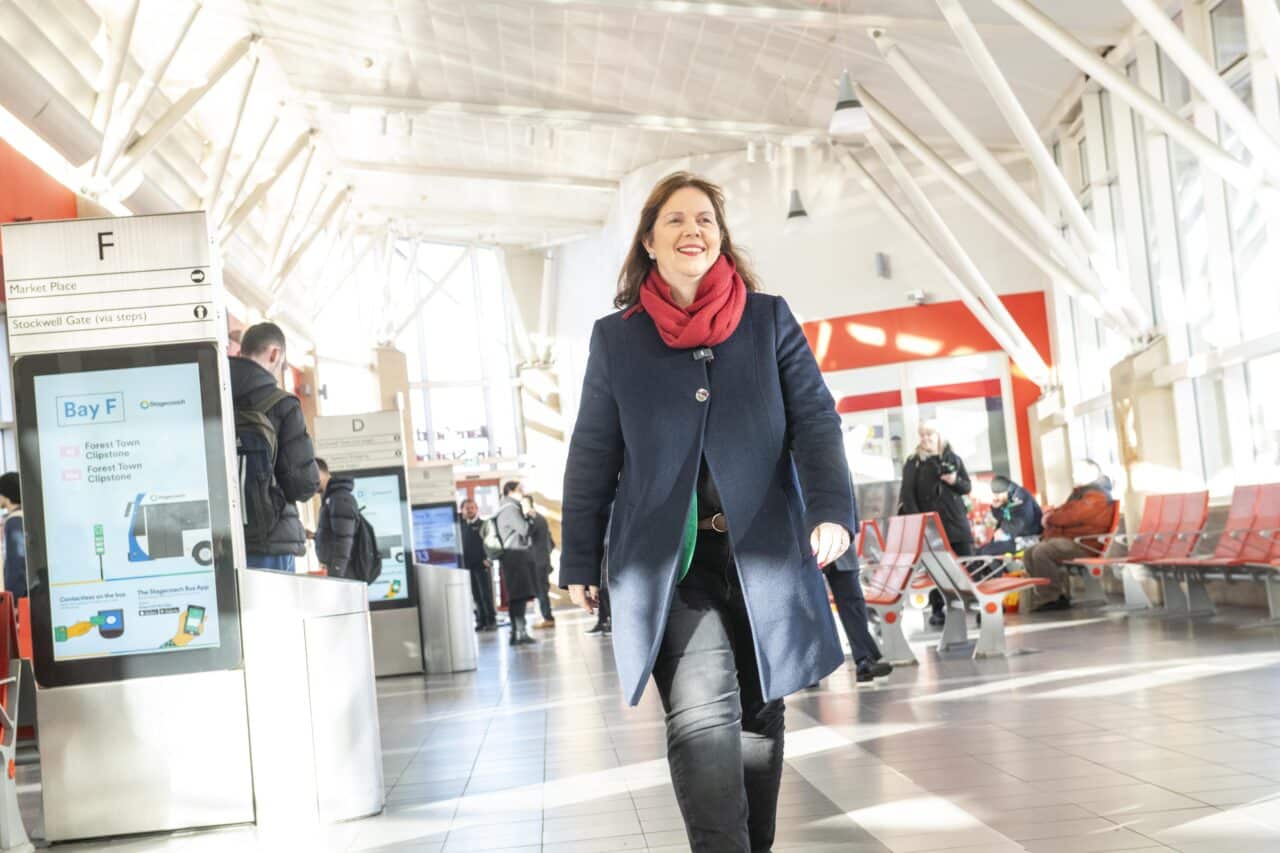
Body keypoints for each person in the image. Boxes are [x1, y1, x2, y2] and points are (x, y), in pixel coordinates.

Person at [561, 172, 854, 853]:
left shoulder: (768, 319)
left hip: (764, 558)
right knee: (700, 720)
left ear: (720, 238)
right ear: (650, 240)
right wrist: (579, 555)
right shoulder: (617, 340)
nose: (693, 229)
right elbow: (592, 453)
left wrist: (832, 507)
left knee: (757, 720)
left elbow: (815, 420)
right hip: (673, 568)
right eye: (676, 220)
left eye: (705, 220)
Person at [229, 322, 321, 572]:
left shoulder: (213, 394)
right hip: (269, 540)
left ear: (240, 352)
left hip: (219, 538)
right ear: (274, 354)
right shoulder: (283, 405)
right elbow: (301, 485)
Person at [898, 419, 972, 626]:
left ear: (939, 435)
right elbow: (908, 495)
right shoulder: (914, 462)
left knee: (966, 563)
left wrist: (953, 480)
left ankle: (974, 603)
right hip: (931, 525)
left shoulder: (952, 459)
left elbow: (966, 487)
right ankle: (938, 608)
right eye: (922, 434)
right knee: (936, 567)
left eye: (929, 434)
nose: (925, 438)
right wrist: (919, 524)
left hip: (955, 520)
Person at [1022, 460, 1116, 612]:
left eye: (1077, 471)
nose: (1073, 474)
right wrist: (1053, 516)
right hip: (1071, 541)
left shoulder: (1096, 495)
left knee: (1042, 552)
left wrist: (1050, 518)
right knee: (1029, 553)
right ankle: (1052, 596)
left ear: (1091, 473)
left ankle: (1051, 597)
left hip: (1085, 545)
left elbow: (1070, 516)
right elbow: (1063, 512)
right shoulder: (1082, 493)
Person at [823, 555, 892, 683]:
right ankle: (809, 669)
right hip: (803, 552)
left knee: (853, 603)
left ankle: (865, 660)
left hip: (841, 551)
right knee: (809, 609)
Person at [494, 481, 542, 646]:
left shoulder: (505, 507)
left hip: (512, 556)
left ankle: (517, 633)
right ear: (510, 492)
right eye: (520, 490)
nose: (523, 492)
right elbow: (525, 530)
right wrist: (530, 516)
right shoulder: (510, 509)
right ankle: (520, 633)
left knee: (516, 596)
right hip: (516, 556)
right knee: (519, 596)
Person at [979, 475, 1044, 558]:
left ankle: (999, 571)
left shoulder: (1021, 497)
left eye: (997, 495)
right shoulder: (1008, 498)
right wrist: (996, 508)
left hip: (1029, 538)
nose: (995, 497)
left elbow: (1020, 523)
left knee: (987, 552)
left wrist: (1002, 530)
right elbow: (1002, 520)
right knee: (982, 550)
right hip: (1015, 536)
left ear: (1004, 491)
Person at [314, 458, 357, 576]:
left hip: (343, 573)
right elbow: (335, 533)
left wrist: (336, 575)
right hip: (340, 571)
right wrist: (315, 536)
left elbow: (343, 541)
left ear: (318, 472)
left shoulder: (339, 498)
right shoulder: (332, 497)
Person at [460, 499, 497, 631]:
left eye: (472, 508)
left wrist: (489, 559)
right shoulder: (461, 526)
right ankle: (481, 621)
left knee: (485, 595)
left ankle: (491, 621)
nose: (470, 510)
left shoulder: (484, 524)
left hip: (482, 566)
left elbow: (492, 543)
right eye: (467, 508)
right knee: (475, 596)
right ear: (462, 510)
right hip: (467, 567)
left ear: (477, 509)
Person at [523, 496, 557, 629]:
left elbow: (525, 535)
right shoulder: (540, 518)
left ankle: (548, 618)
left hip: (538, 561)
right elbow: (551, 543)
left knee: (541, 590)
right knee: (541, 590)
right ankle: (546, 617)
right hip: (542, 559)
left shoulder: (533, 519)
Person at [0, 473, 26, 599]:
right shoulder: (24, 516)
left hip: (17, 595)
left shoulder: (14, 521)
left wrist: (13, 598)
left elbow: (16, 560)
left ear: (5, 494)